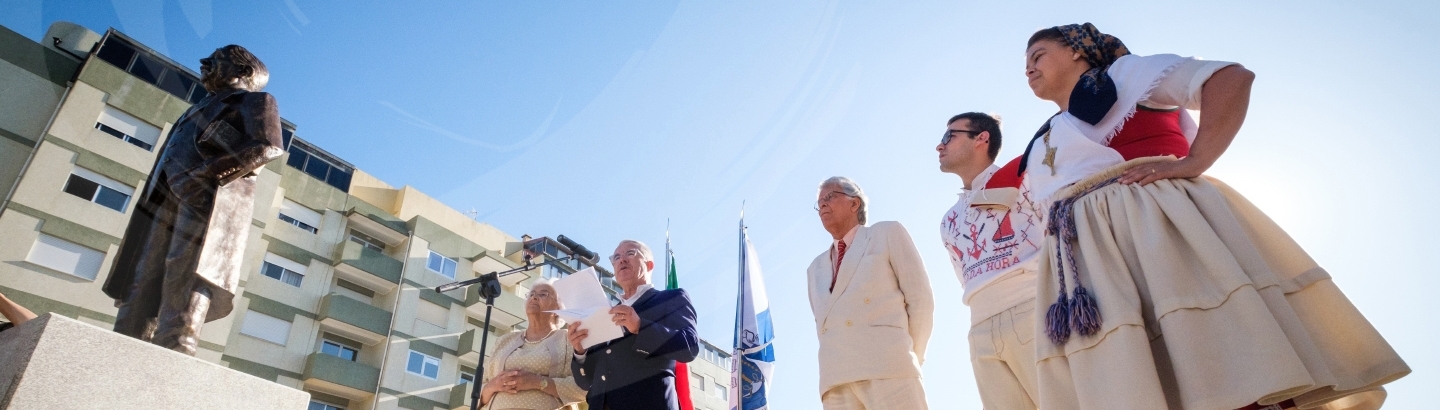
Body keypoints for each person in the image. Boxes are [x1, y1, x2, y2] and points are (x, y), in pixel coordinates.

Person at [1018, 23, 1409, 410]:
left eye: (1038, 55)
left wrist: (1198, 159)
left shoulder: (1127, 75)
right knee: (1136, 367)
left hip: (1155, 228)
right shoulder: (1044, 137)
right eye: (1025, 63)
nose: (1029, 68)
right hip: (1091, 261)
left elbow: (1229, 78)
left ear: (1076, 51)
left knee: (1209, 346)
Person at [102, 44, 285, 355]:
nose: (204, 62)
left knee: (185, 275)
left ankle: (175, 352)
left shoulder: (254, 101)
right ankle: (121, 350)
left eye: (216, 60)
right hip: (162, 199)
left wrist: (206, 173)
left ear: (243, 71)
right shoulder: (194, 110)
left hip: (205, 200)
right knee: (142, 273)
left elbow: (267, 146)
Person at [936, 113, 1045, 410]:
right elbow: (965, 277)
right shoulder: (948, 221)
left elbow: (1058, 236)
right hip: (980, 328)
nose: (939, 146)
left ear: (981, 139)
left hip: (1033, 309)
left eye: (950, 136)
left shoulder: (1026, 177)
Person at [806, 176, 934, 410]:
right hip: (836, 380)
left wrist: (908, 356)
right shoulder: (814, 269)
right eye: (819, 202)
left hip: (890, 368)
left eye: (830, 197)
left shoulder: (886, 233)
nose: (822, 204)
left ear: (854, 204)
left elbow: (921, 300)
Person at [568, 240, 699, 410]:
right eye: (616, 257)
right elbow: (585, 381)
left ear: (649, 264)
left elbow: (689, 347)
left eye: (630, 253)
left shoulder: (671, 298)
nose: (621, 259)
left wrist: (639, 326)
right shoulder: (606, 311)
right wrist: (580, 351)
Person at [478, 279, 587, 410]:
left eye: (543, 294)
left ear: (558, 307)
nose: (534, 297)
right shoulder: (503, 341)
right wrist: (493, 385)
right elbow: (477, 391)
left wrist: (538, 382)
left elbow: (584, 387)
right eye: (531, 294)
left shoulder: (569, 339)